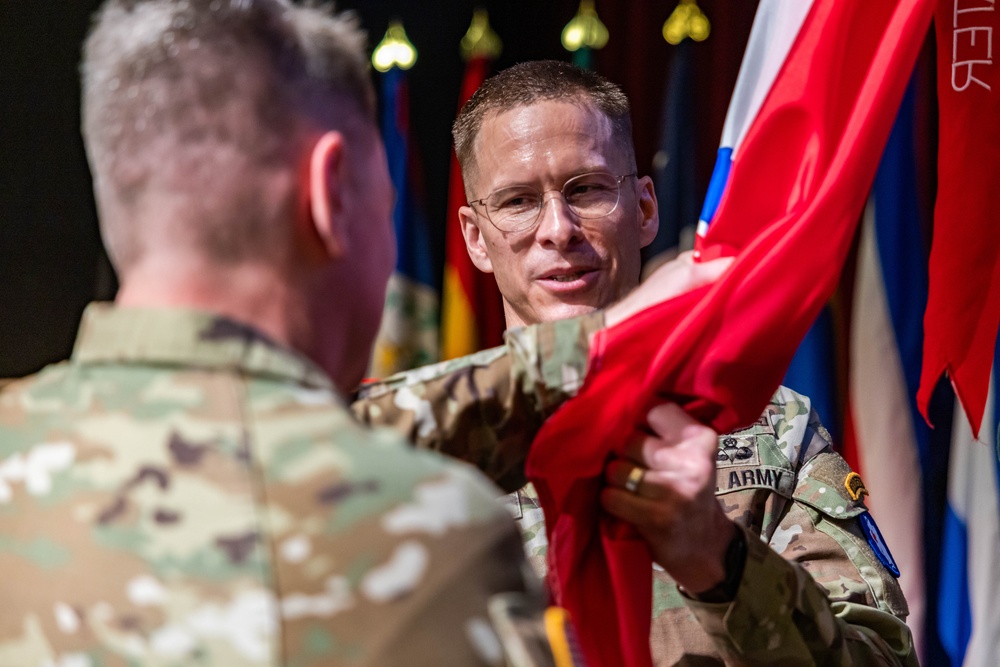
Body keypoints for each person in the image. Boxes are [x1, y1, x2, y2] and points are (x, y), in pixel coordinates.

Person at [0, 6, 678, 665]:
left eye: (586, 189)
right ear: (331, 197)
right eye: (385, 200)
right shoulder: (424, 532)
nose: (558, 229)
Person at [357, 61, 917, 665]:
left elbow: (881, 658)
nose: (558, 229)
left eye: (588, 189)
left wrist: (721, 561)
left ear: (645, 207)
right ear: (473, 238)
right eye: (518, 201)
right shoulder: (392, 448)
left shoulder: (767, 427)